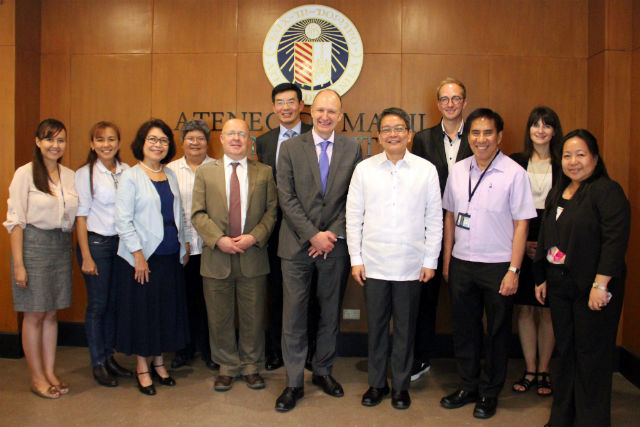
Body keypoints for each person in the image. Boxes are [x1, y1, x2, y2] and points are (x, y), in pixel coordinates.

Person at [439, 108, 536, 419]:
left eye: (487, 133)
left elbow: (522, 224)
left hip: (498, 265)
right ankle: (467, 386)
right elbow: (451, 217)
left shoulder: (514, 173)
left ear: (500, 137)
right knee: (464, 329)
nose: (481, 139)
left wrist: (514, 270)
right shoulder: (458, 170)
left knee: (496, 332)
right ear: (469, 137)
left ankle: (489, 392)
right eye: (475, 133)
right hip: (462, 264)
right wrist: (447, 260)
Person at [346, 107, 442, 409]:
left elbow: (434, 219)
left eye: (399, 128)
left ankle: (400, 386)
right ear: (379, 137)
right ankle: (377, 384)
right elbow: (353, 216)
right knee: (376, 328)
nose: (392, 134)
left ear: (409, 134)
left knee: (405, 329)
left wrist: (430, 260)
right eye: (386, 129)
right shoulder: (364, 169)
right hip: (373, 263)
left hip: (411, 264)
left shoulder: (426, 170)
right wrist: (355, 258)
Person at [533, 129, 630, 427]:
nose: (573, 161)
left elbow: (615, 241)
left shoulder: (606, 191)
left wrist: (601, 285)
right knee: (566, 352)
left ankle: (591, 420)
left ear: (595, 158)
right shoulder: (558, 191)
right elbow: (548, 238)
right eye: (567, 155)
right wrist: (542, 278)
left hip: (593, 289)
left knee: (591, 357)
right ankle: (562, 417)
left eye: (580, 155)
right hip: (561, 286)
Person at [275, 89, 363, 412]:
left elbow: (353, 198)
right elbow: (286, 197)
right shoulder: (289, 148)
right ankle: (294, 382)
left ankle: (323, 371)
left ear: (340, 116)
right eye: (321, 110)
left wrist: (331, 235)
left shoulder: (353, 149)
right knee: (294, 316)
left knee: (330, 314)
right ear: (311, 112)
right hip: (296, 246)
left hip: (334, 247)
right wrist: (313, 235)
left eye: (332, 112)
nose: (326, 116)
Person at [191, 118, 277, 392]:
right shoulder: (206, 172)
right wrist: (219, 240)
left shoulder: (264, 172)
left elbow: (272, 211)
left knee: (253, 315)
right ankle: (227, 366)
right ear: (222, 139)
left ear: (249, 139)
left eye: (242, 134)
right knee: (219, 316)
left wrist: (255, 236)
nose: (237, 138)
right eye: (231, 134)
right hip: (217, 257)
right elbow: (197, 213)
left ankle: (252, 366)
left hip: (253, 256)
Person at [4, 119, 79, 399]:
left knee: (51, 313)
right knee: (34, 314)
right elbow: (15, 222)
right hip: (32, 245)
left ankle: (50, 372)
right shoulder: (24, 174)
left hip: (60, 245)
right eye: (49, 139)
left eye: (60, 140)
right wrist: (20, 264)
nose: (55, 145)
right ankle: (36, 377)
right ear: (37, 141)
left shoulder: (69, 175)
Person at [115, 119, 190, 396]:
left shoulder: (169, 174)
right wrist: (137, 254)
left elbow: (177, 214)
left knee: (163, 311)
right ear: (142, 143)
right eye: (153, 139)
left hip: (169, 254)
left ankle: (160, 363)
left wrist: (183, 246)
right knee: (143, 313)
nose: (158, 145)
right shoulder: (130, 176)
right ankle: (142, 367)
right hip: (143, 258)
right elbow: (122, 220)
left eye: (163, 141)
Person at [410, 77, 473, 381]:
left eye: (456, 98)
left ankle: (469, 367)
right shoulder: (422, 139)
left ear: (464, 102)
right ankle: (421, 358)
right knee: (426, 300)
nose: (450, 104)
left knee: (467, 302)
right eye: (445, 99)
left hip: (471, 229)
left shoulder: (477, 136)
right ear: (437, 104)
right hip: (432, 228)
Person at [255, 83, 315, 372]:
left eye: (291, 102)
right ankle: (276, 351)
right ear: (274, 107)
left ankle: (311, 352)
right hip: (274, 228)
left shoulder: (314, 135)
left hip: (308, 227)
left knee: (311, 292)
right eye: (280, 103)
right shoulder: (264, 142)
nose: (286, 108)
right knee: (277, 292)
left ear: (301, 105)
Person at [509, 107, 562, 396]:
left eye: (547, 125)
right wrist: (523, 241)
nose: (540, 130)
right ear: (528, 129)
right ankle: (529, 369)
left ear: (555, 130)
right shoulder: (517, 162)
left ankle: (545, 370)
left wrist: (544, 246)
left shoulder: (565, 163)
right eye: (535, 125)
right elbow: (510, 206)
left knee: (549, 310)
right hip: (522, 237)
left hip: (554, 244)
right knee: (526, 308)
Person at [75, 121, 133, 387]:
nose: (106, 145)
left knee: (113, 304)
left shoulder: (127, 171)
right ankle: (98, 362)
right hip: (96, 245)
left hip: (121, 246)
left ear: (119, 143)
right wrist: (86, 255)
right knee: (98, 305)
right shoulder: (85, 173)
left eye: (111, 139)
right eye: (100, 140)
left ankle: (110, 358)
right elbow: (81, 217)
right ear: (92, 144)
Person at [167, 119, 218, 371]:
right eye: (190, 138)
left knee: (211, 302)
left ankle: (210, 351)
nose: (195, 143)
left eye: (200, 138)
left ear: (208, 142)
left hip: (211, 247)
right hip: (183, 248)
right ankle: (184, 349)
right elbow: (171, 211)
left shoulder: (217, 168)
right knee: (184, 300)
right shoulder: (170, 170)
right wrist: (183, 241)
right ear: (182, 141)